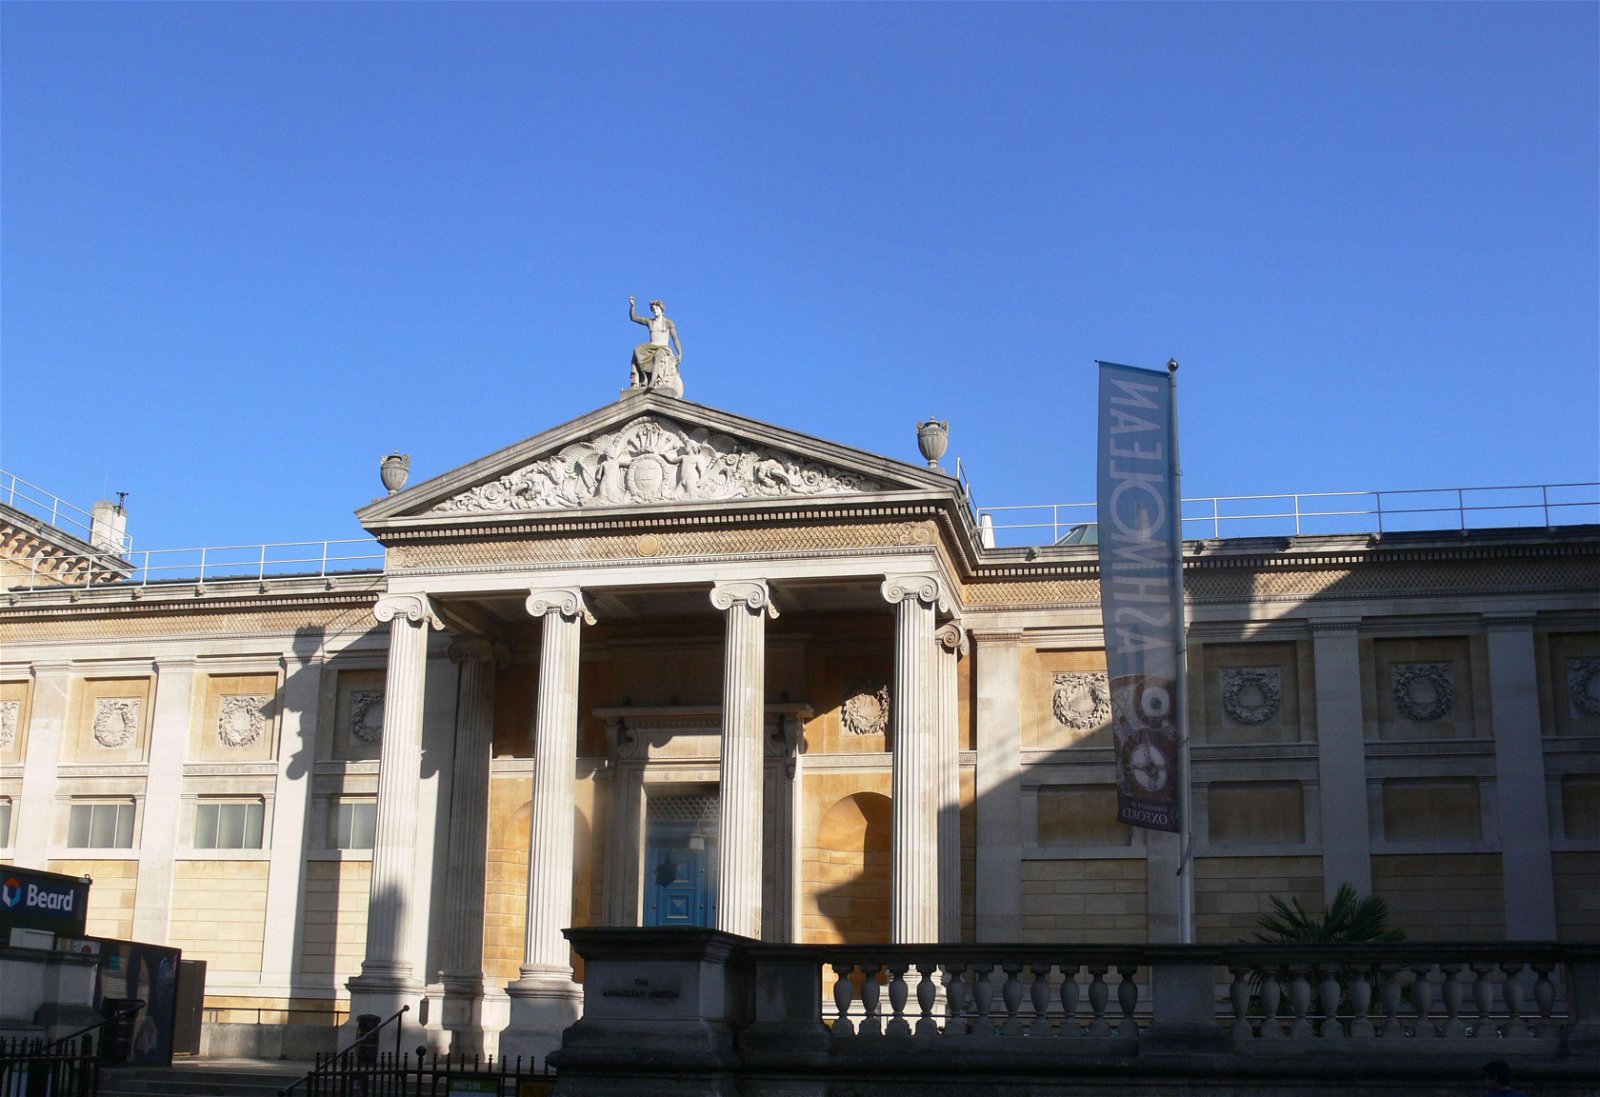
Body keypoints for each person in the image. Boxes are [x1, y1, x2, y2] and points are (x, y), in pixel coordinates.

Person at [628, 296, 683, 390]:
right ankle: (644, 376)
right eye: (653, 309)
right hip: (651, 346)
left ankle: (653, 380)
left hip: (663, 348)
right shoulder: (650, 322)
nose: (655, 311)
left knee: (658, 355)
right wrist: (632, 306)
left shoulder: (668, 323)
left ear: (661, 309)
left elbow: (675, 339)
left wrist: (680, 353)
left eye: (657, 309)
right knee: (637, 350)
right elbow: (633, 318)